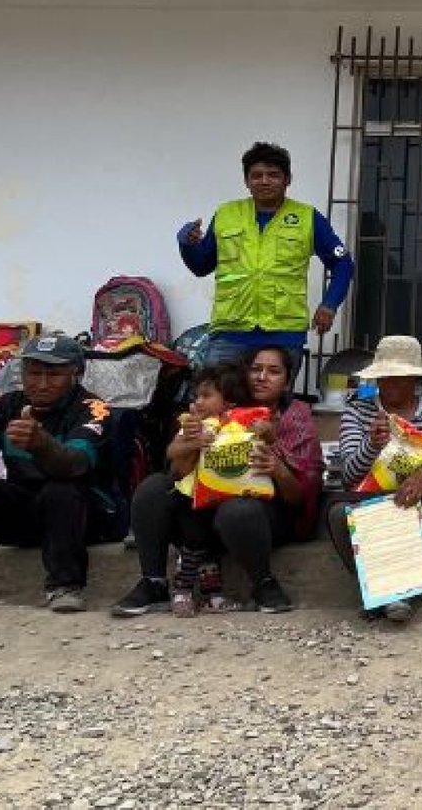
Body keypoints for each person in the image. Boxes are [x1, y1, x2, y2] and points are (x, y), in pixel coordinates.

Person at [114, 346, 322, 616]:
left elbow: (300, 497)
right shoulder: (212, 409)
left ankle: (263, 583)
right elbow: (176, 475)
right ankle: (153, 581)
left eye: (274, 371)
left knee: (237, 509)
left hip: (261, 519)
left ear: (287, 382)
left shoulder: (295, 417)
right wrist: (190, 443)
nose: (262, 377)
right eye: (255, 369)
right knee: (154, 488)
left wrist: (278, 469)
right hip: (201, 517)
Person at [0, 333, 117, 613]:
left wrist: (41, 444)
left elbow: (74, 464)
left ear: (76, 374)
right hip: (27, 513)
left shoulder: (93, 410)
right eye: (33, 372)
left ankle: (65, 587)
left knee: (61, 489)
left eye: (53, 374)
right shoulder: (5, 406)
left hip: (85, 518)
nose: (40, 384)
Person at [178, 141, 355, 374]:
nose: (264, 181)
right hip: (230, 334)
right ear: (246, 181)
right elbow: (201, 266)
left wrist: (329, 305)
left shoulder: (307, 218)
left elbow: (343, 263)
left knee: (272, 408)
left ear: (287, 179)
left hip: (283, 335)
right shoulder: (226, 214)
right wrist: (187, 245)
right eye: (256, 175)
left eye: (273, 175)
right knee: (220, 405)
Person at [325, 336, 422, 623]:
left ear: (414, 380)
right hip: (368, 500)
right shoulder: (358, 412)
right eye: (385, 378)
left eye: (400, 378)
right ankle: (387, 593)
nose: (391, 384)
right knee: (338, 512)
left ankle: (392, 594)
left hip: (414, 500)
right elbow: (349, 476)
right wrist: (372, 444)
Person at [163, 364, 250, 616]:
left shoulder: (238, 425)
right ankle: (182, 590)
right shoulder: (193, 425)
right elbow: (171, 452)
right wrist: (193, 443)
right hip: (188, 497)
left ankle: (213, 596)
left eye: (206, 396)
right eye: (196, 396)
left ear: (230, 402)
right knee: (193, 544)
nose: (197, 402)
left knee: (211, 549)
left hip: (219, 498)